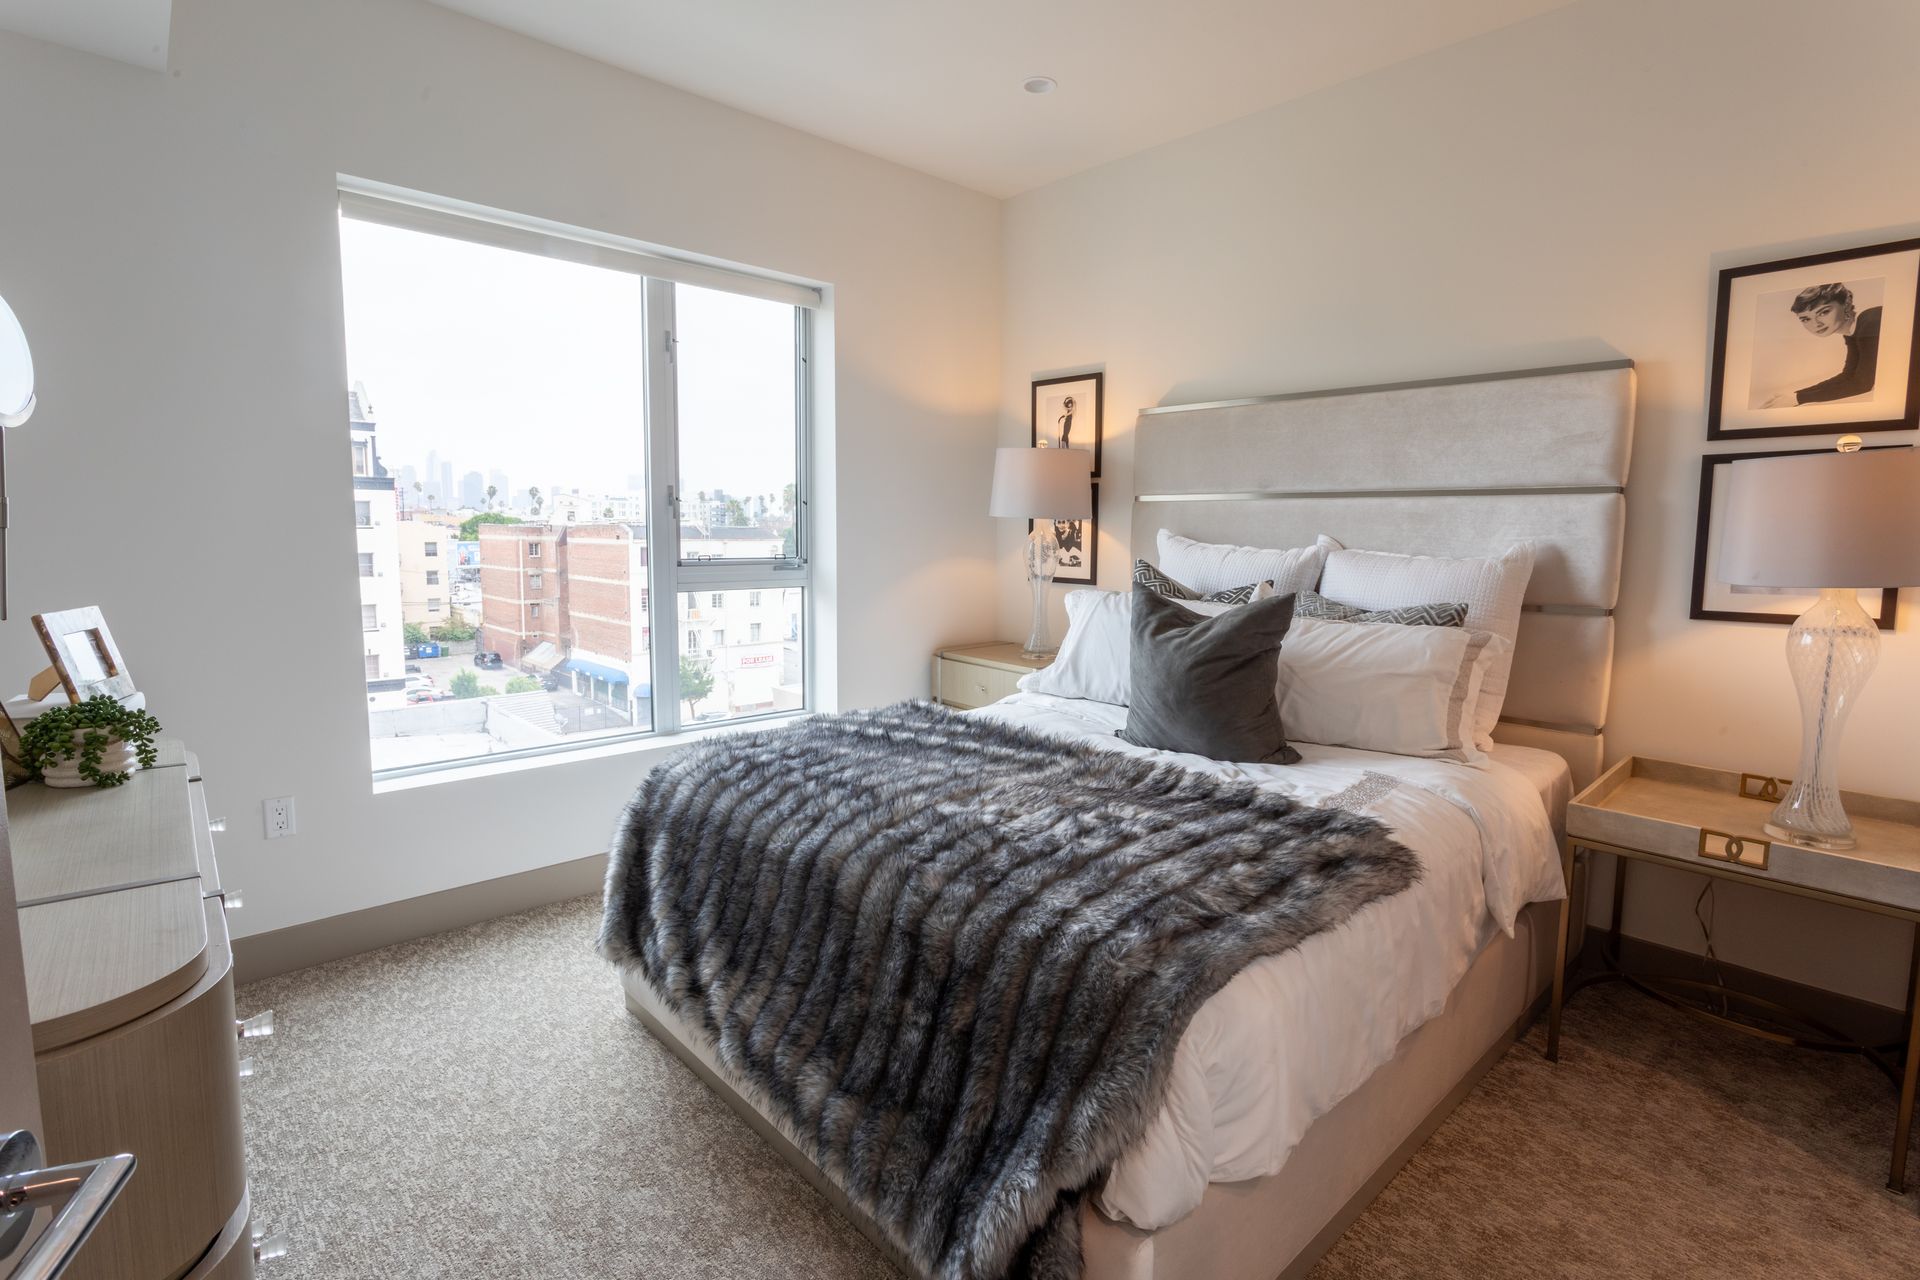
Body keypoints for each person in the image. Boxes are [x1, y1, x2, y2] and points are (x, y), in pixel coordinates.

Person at [1758, 282, 1881, 407]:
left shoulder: (1871, 323)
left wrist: (1798, 399)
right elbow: (1848, 376)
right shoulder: (1854, 330)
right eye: (1806, 319)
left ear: (1846, 304)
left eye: (1823, 312)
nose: (1816, 324)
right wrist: (1794, 394)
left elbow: (1861, 384)